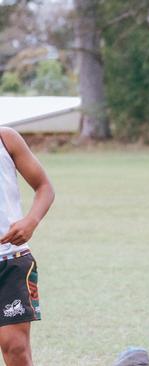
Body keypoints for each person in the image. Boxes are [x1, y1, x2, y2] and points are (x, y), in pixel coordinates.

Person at [0, 127, 54, 366]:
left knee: (16, 348)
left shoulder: (6, 138)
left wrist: (31, 220)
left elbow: (44, 186)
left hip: (10, 259)